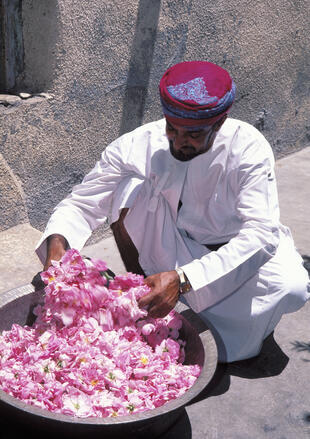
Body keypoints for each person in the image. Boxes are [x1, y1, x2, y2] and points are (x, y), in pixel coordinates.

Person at [36, 61, 309, 362]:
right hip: (171, 241)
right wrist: (58, 241)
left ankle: (225, 328)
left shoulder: (249, 151)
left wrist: (183, 279)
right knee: (126, 185)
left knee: (291, 287)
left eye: (193, 134)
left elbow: (261, 234)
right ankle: (144, 288)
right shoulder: (138, 145)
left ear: (218, 125)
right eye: (172, 128)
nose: (179, 141)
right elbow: (82, 202)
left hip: (234, 254)